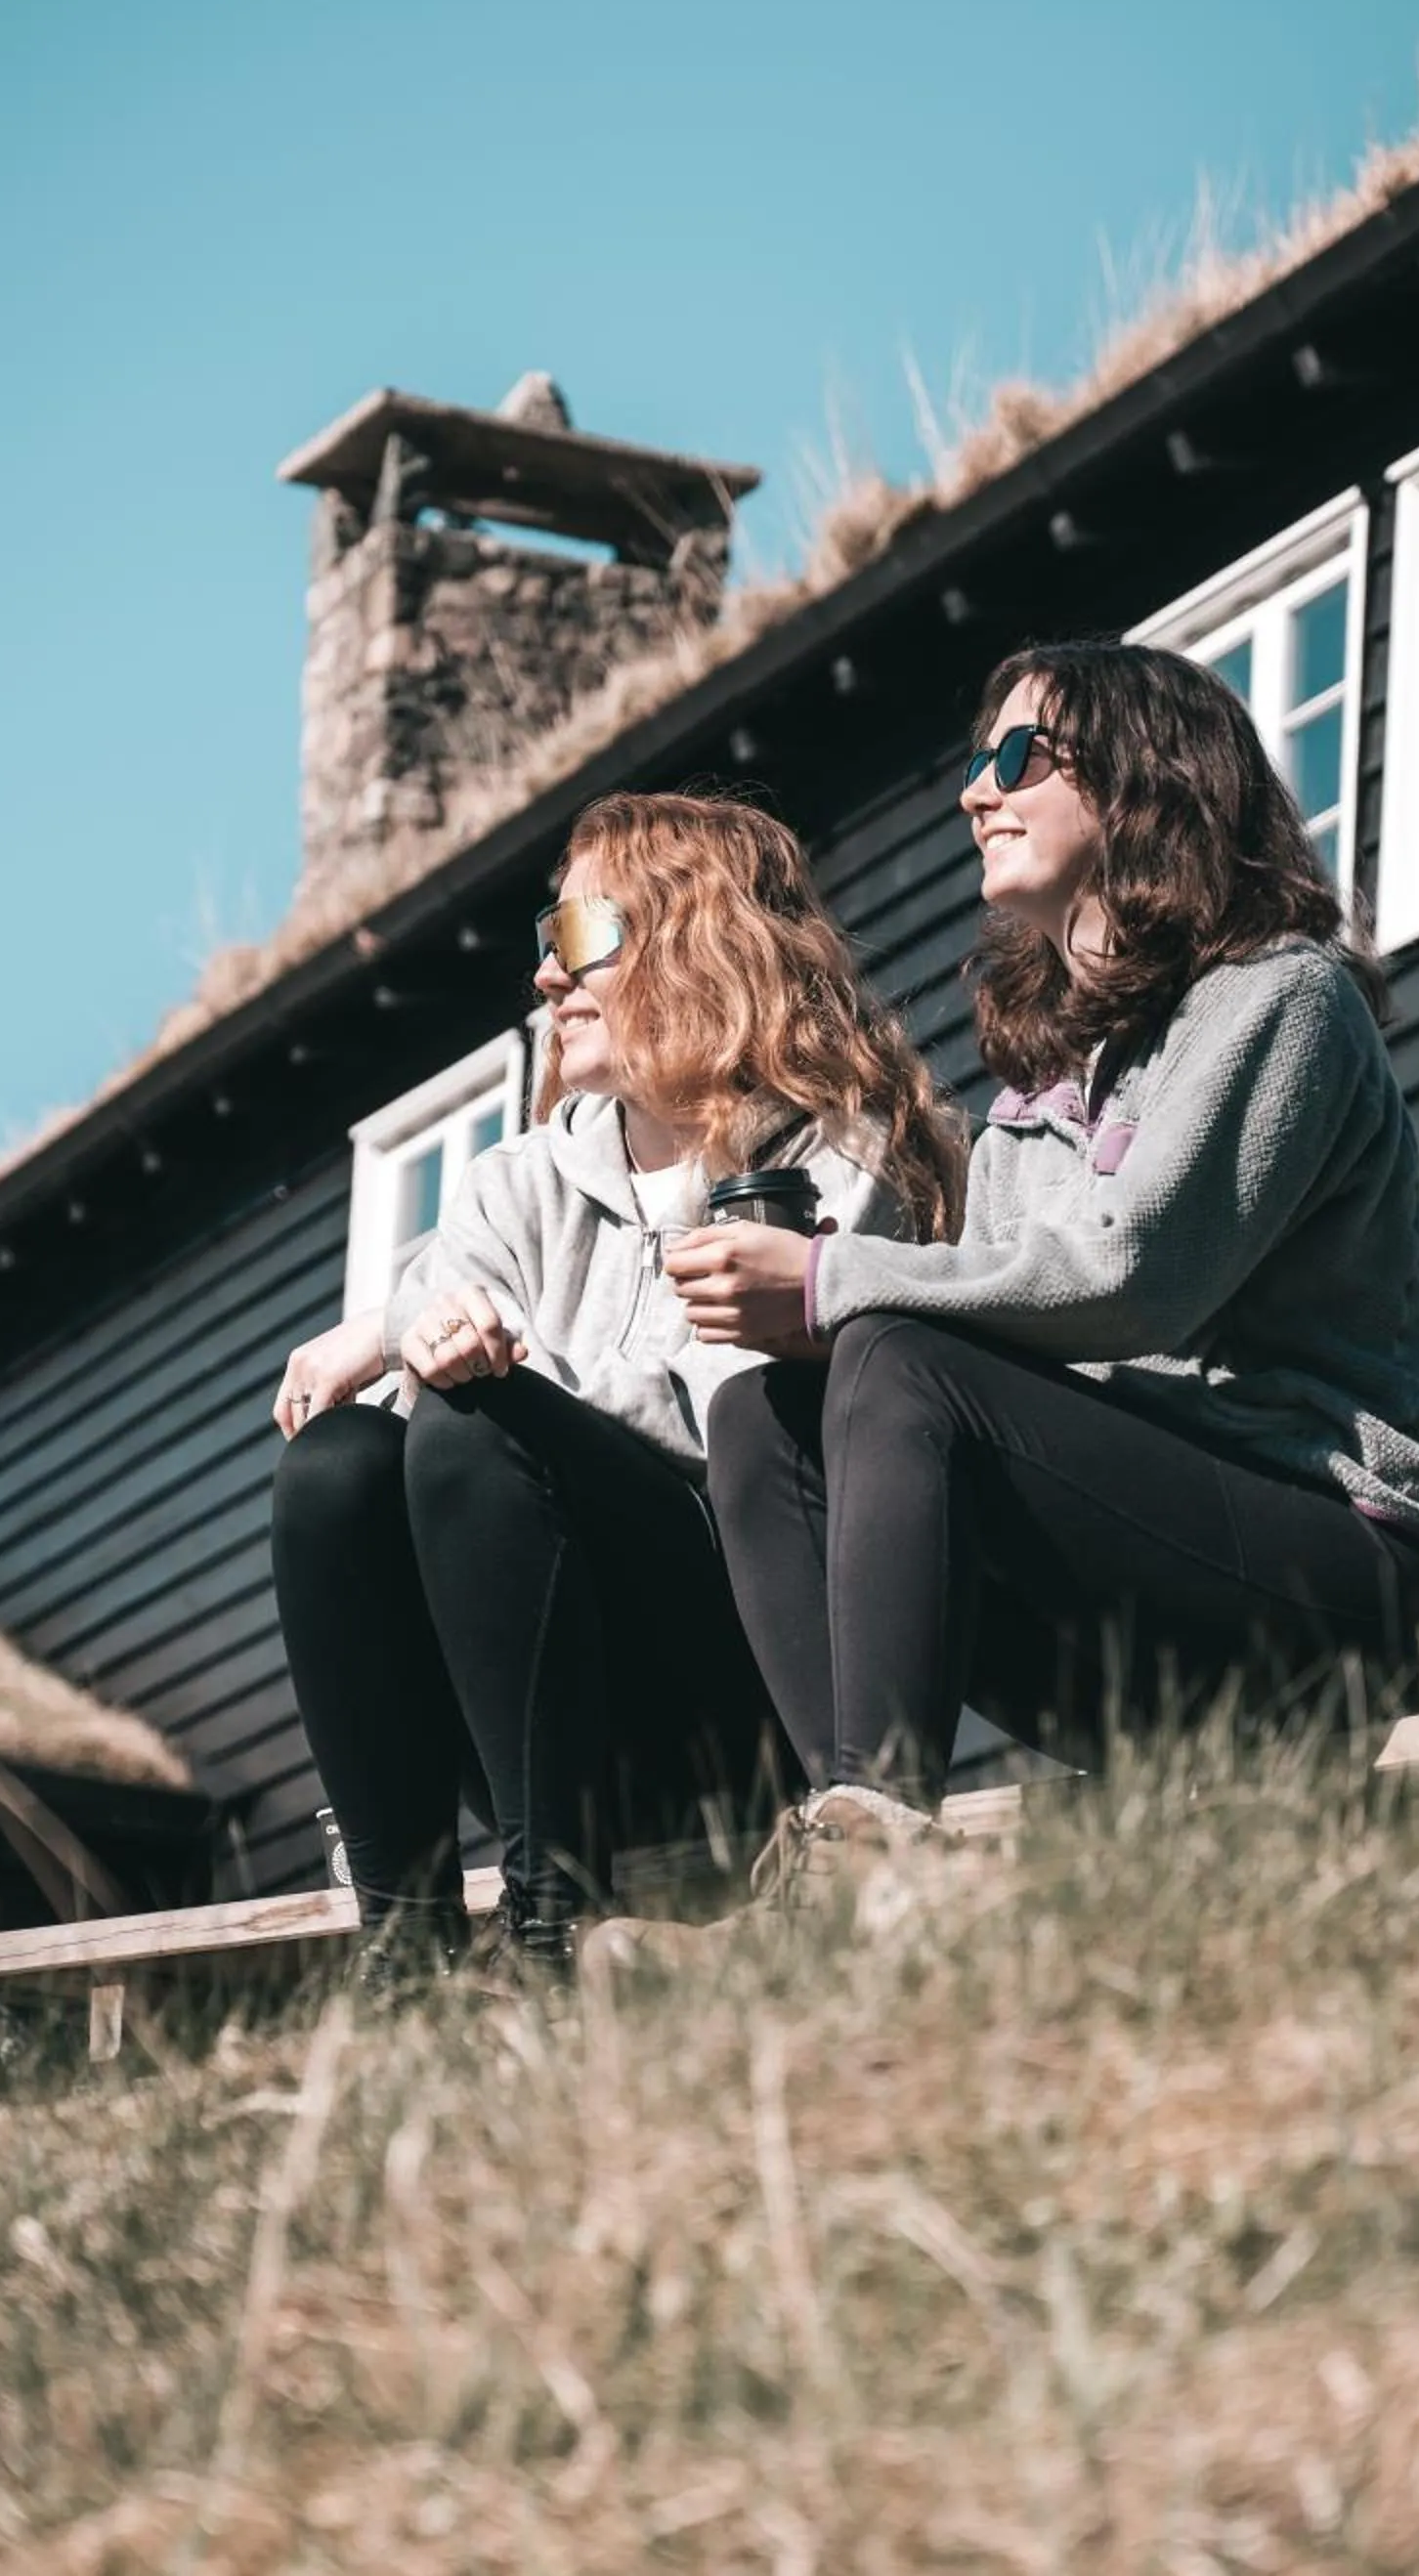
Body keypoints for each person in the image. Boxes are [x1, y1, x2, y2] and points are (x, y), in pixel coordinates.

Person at [668, 640, 1419, 1883]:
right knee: (765, 1419)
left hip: (1352, 1574)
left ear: (1141, 781)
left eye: (1016, 756)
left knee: (891, 1349)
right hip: (1163, 1562)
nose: (974, 794)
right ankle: (845, 1847)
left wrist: (831, 1282)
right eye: (973, 765)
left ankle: (878, 1842)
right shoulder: (1041, 1093)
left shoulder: (1280, 998)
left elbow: (1132, 1277)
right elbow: (1002, 1337)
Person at [266, 791, 968, 1969]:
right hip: (528, 1693)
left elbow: (738, 1427)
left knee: (483, 1416)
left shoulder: (831, 1161)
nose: (546, 978)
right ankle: (406, 1944)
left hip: (731, 1687)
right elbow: (426, 1377)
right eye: (545, 946)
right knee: (335, 1465)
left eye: (581, 938)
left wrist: (507, 1368)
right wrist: (404, 1331)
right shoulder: (517, 1181)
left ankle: (547, 1925)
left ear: (698, 942)